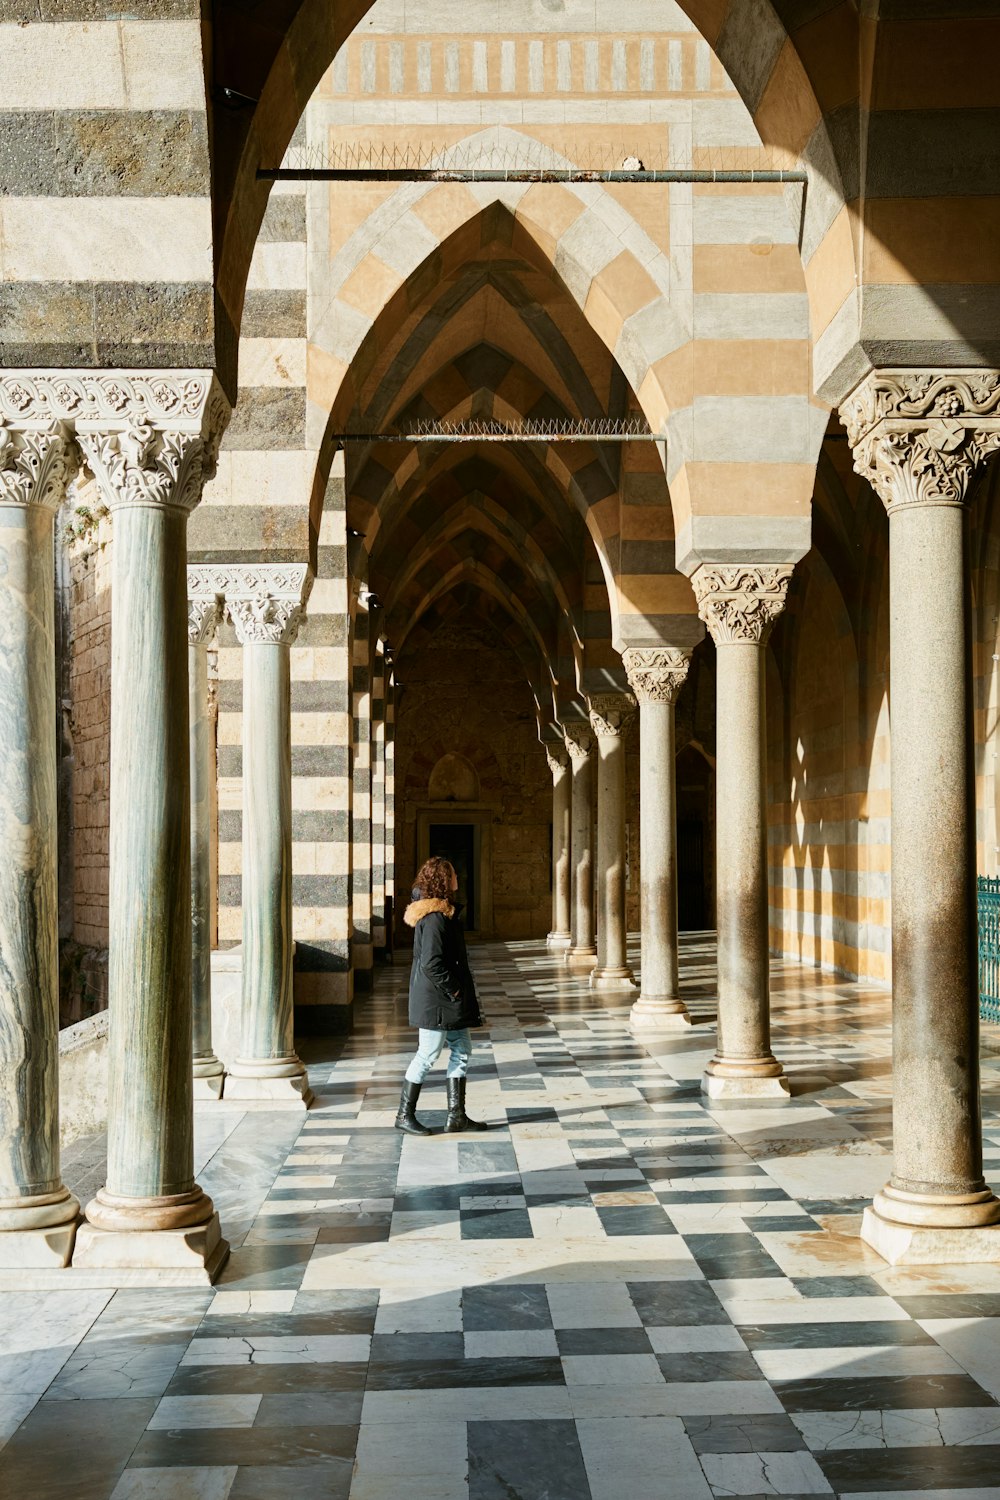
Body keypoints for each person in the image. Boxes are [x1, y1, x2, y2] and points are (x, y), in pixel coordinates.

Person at [395, 855, 487, 1136]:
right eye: (453, 875)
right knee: (427, 1054)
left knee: (462, 1050)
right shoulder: (435, 919)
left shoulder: (443, 914)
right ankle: (404, 1114)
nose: (458, 878)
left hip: (447, 1000)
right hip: (438, 1000)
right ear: (444, 881)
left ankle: (456, 1116)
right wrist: (455, 988)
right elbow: (431, 963)